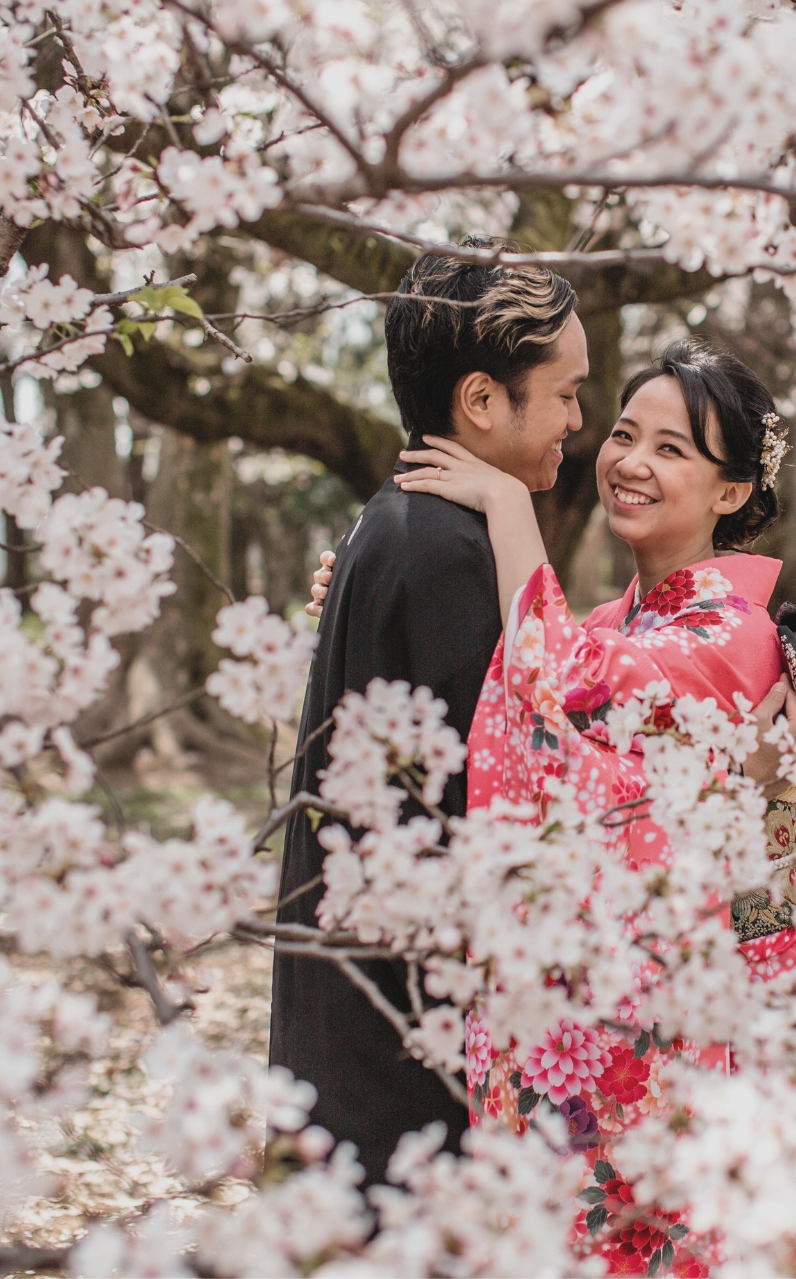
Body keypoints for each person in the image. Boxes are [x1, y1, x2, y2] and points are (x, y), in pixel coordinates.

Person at [394, 341, 796, 1274]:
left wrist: (510, 505)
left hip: (668, 1041)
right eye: (624, 433)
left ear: (731, 493)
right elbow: (515, 670)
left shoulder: (730, 632)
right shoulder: (618, 620)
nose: (630, 461)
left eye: (672, 450)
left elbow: (566, 683)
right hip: (613, 1029)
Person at [268, 238, 590, 1188]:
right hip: (407, 1043)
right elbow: (513, 786)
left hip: (356, 1010)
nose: (581, 416)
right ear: (483, 400)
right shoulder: (447, 548)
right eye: (566, 392)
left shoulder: (398, 519)